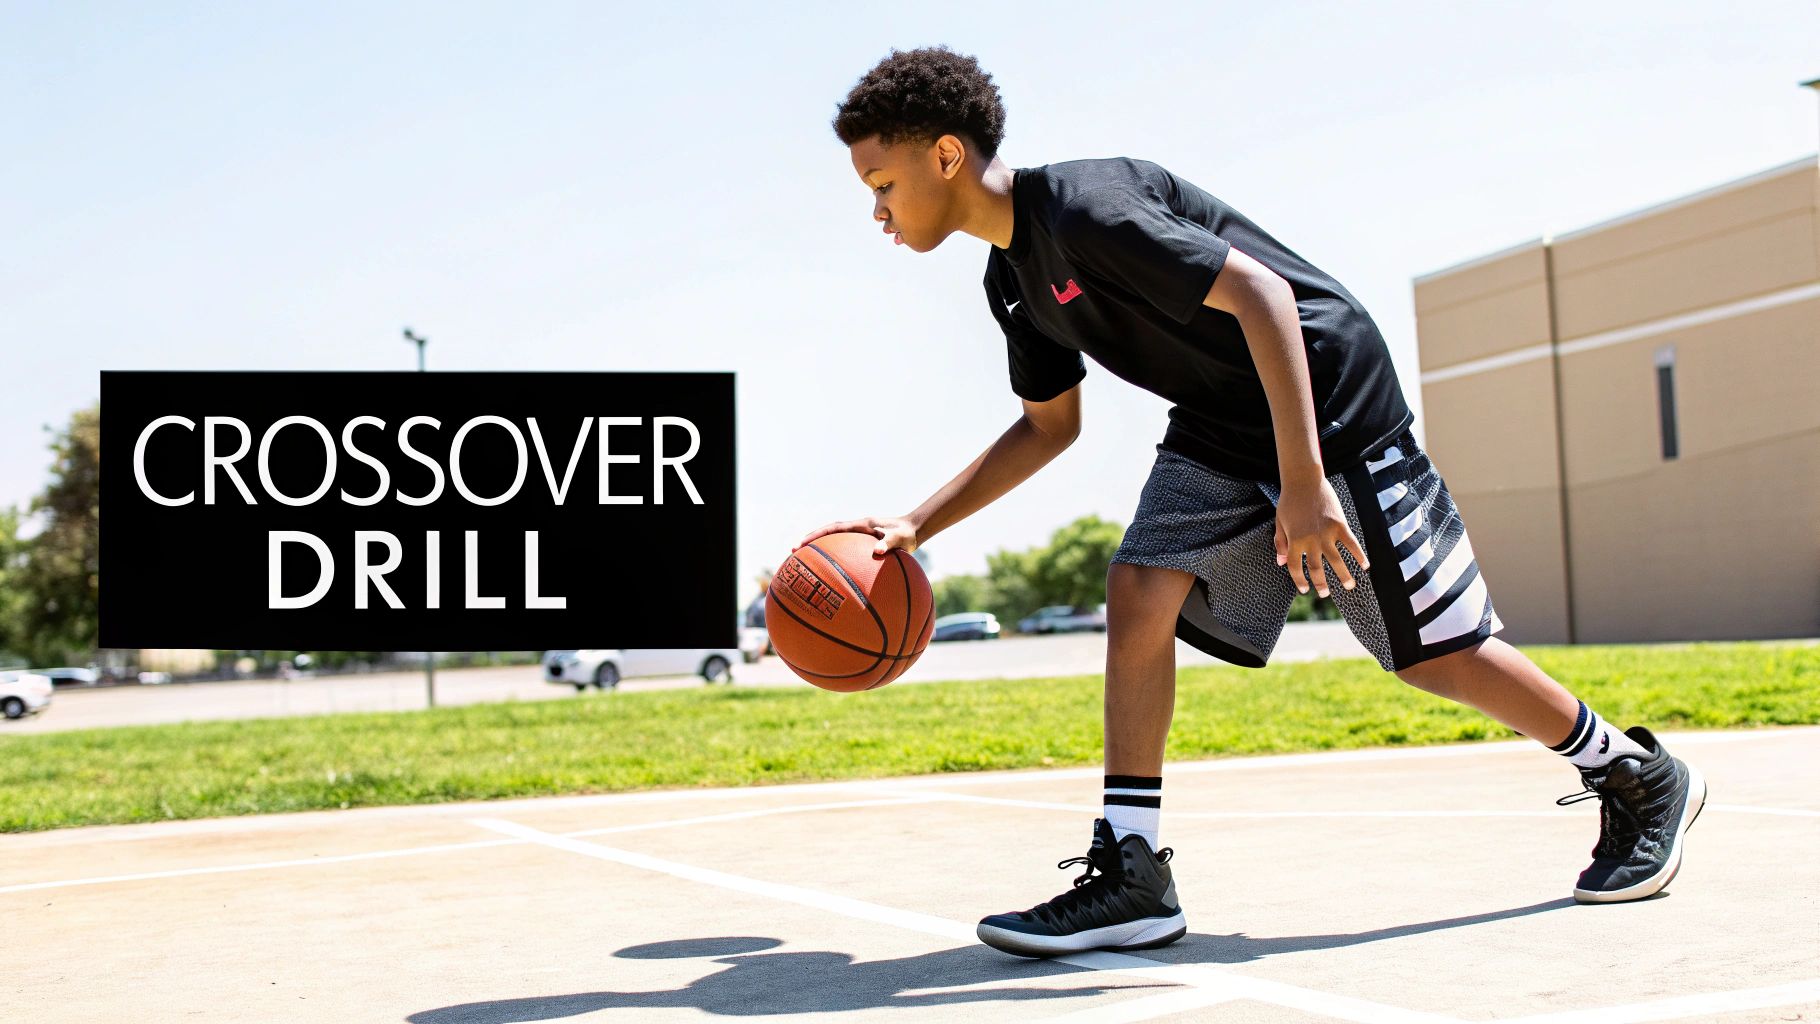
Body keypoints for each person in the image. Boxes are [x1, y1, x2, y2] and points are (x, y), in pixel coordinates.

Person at [796, 45, 1705, 958]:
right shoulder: (1014, 282)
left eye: (881, 181)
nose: (876, 209)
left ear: (945, 157)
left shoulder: (1086, 208)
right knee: (1138, 589)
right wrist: (919, 522)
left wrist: (1304, 484)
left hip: (1322, 391)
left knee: (1430, 652)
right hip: (1224, 416)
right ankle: (1134, 873)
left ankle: (1635, 773)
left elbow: (1264, 295)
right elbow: (1047, 426)